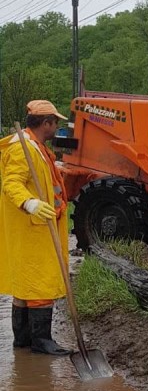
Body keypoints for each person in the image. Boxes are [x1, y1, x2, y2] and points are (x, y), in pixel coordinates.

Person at [0, 100, 71, 355]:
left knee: (25, 283)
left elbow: (46, 180)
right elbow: (11, 183)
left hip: (39, 224)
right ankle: (40, 341)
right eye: (56, 123)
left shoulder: (38, 148)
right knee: (39, 281)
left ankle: (24, 340)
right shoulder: (23, 149)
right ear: (46, 123)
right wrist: (29, 203)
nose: (57, 128)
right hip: (33, 227)